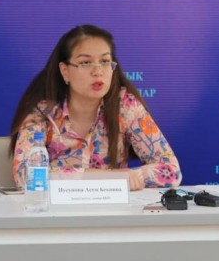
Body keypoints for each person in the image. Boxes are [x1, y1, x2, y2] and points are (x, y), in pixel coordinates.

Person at [9, 24, 182, 190]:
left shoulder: (126, 106)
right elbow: (25, 175)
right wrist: (106, 177)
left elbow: (171, 171)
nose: (98, 71)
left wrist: (133, 177)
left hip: (113, 208)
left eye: (105, 61)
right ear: (65, 71)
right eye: (85, 63)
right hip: (57, 209)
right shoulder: (42, 112)